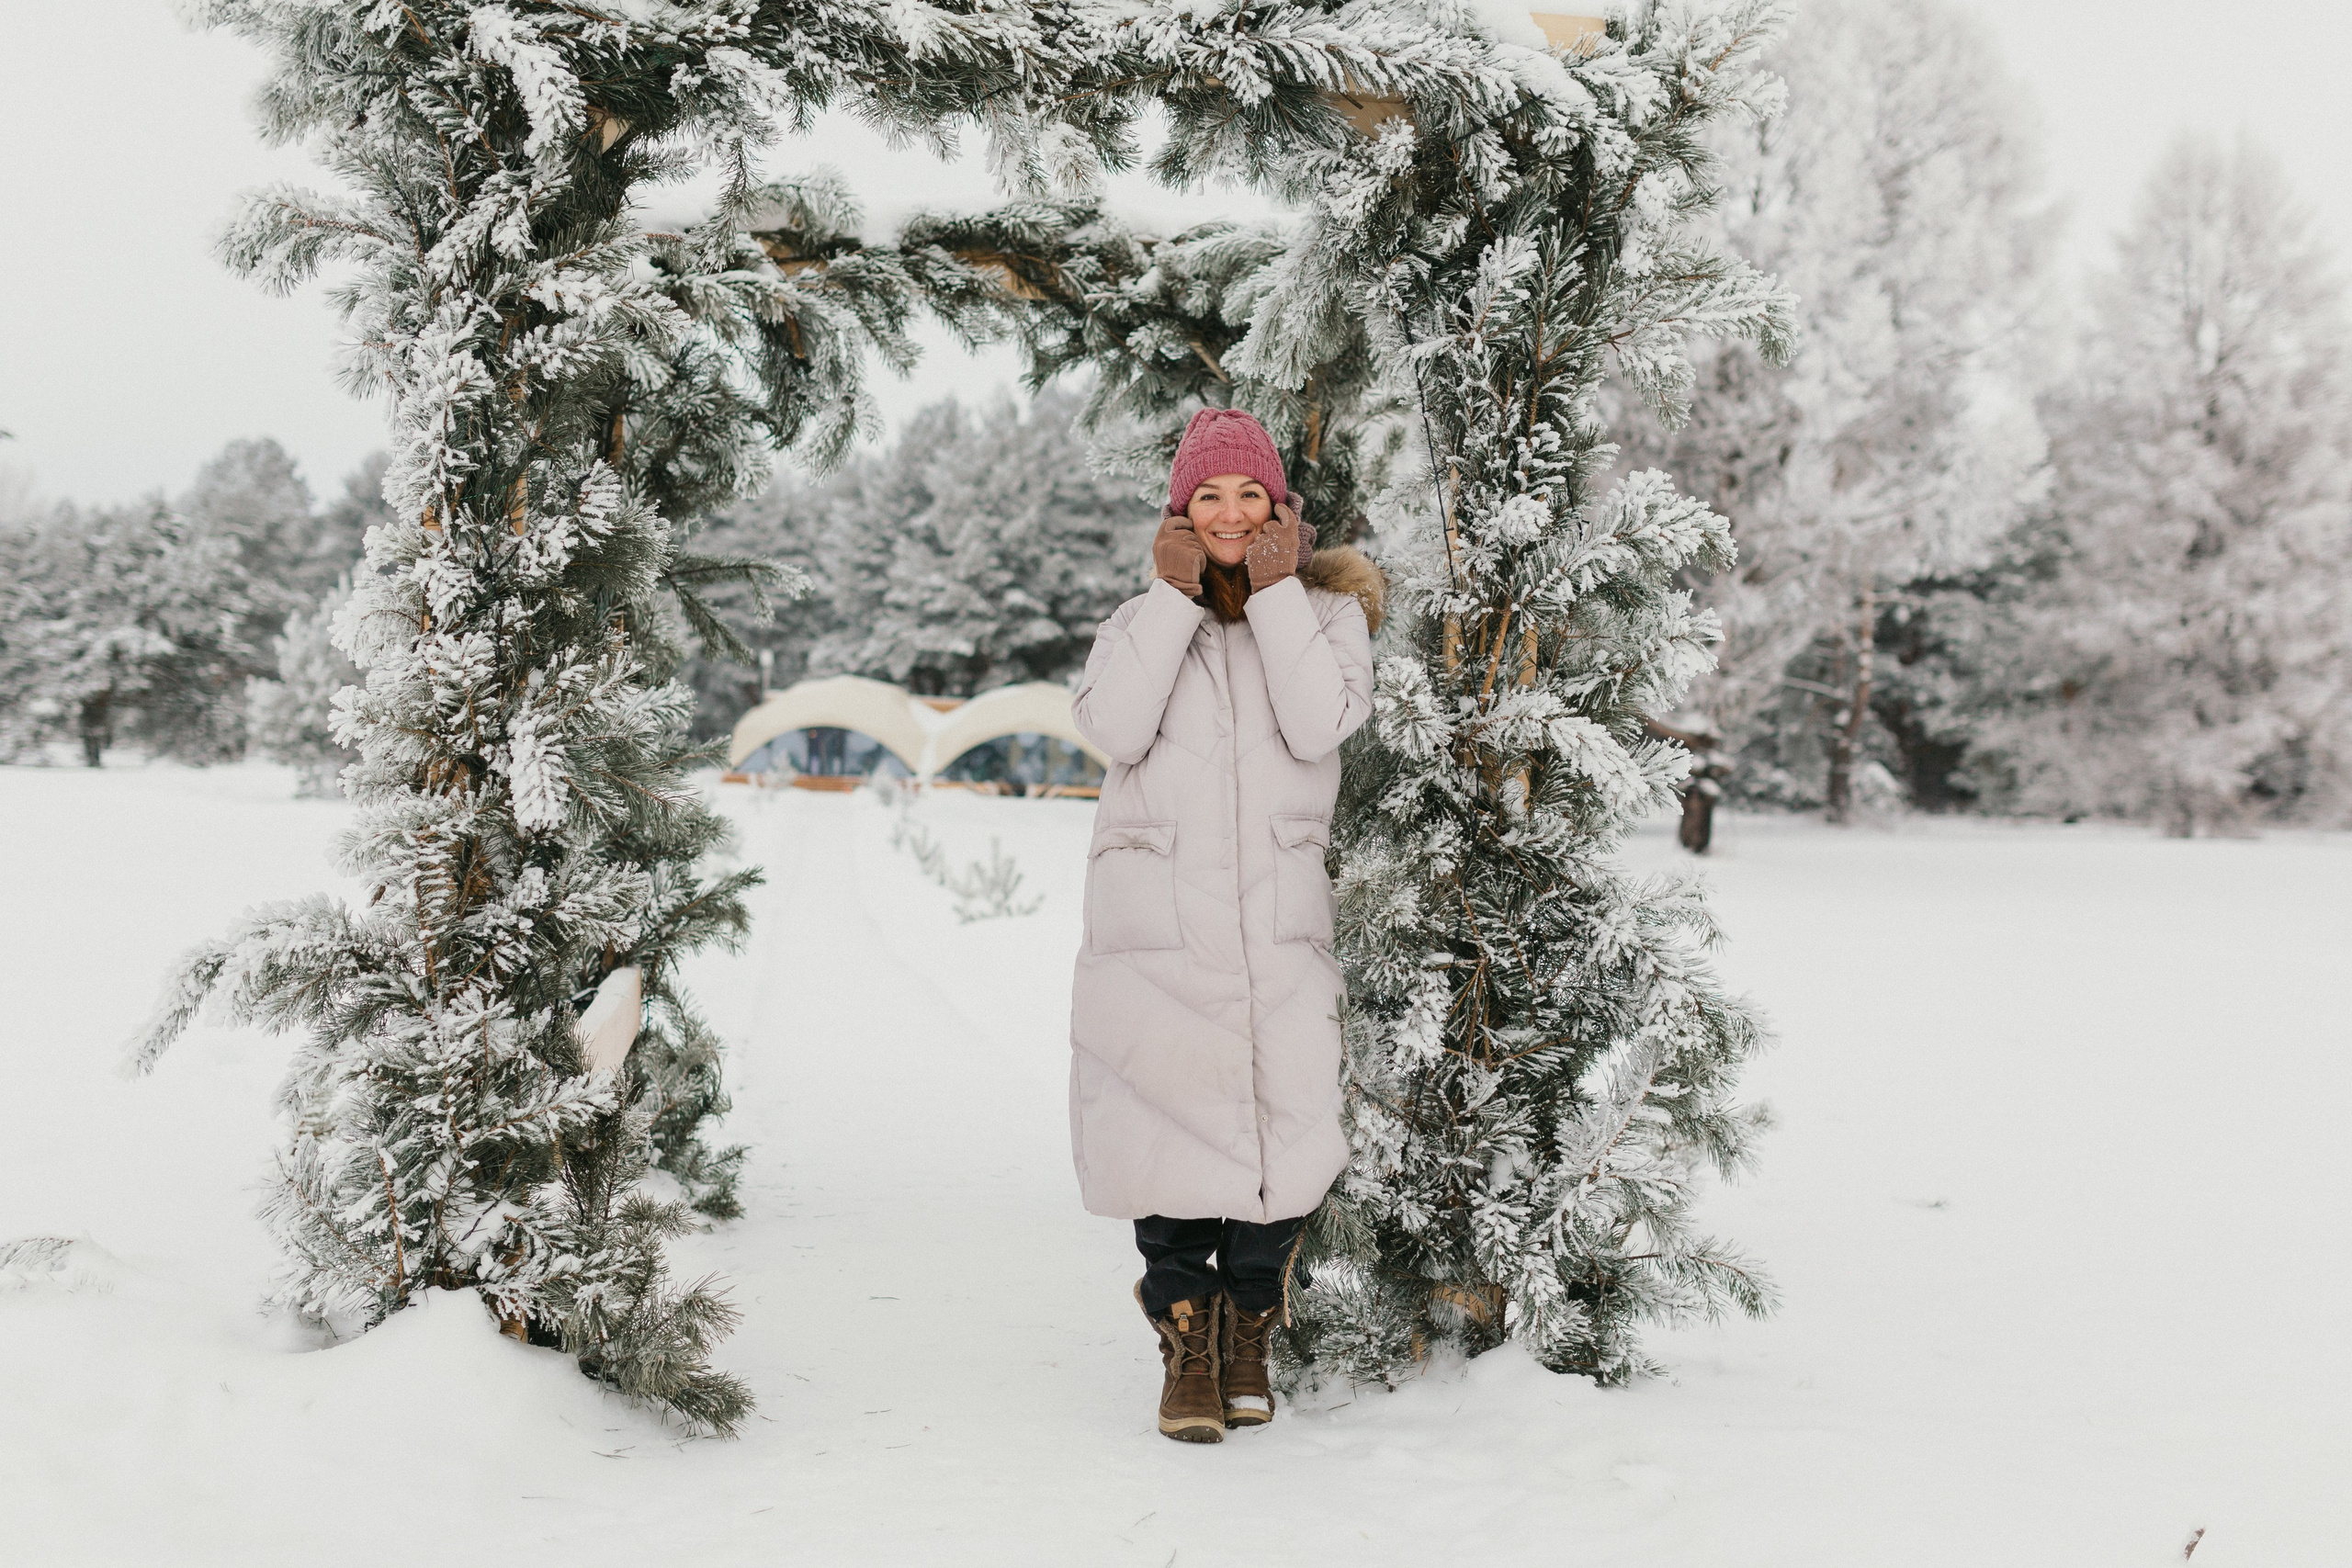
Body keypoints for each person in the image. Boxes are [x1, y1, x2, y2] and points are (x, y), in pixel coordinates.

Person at [1068, 408, 1384, 1443]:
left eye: (1250, 494)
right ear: (1179, 511)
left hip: (1278, 920)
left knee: (1284, 1120)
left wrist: (1284, 592)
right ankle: (1186, 1342)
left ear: (1281, 508)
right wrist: (1168, 600)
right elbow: (1110, 729)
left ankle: (1250, 1326)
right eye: (1208, 496)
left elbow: (1318, 723)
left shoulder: (1327, 620)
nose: (1231, 513)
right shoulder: (1137, 618)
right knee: (1165, 1123)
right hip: (1157, 925)